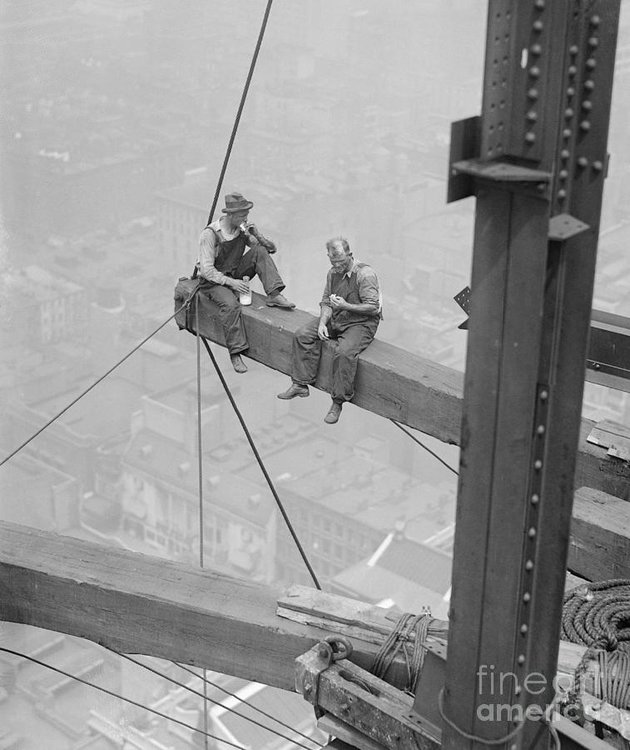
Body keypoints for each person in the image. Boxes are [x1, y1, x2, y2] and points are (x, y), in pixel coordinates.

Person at [277, 237, 381, 424]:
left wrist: (347, 305)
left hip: (361, 323)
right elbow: (326, 302)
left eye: (341, 262)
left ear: (350, 255)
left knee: (344, 353)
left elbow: (373, 307)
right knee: (303, 335)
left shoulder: (365, 274)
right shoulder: (333, 273)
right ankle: (300, 383)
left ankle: (338, 401)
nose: (337, 266)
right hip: (339, 316)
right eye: (334, 262)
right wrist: (323, 323)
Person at [196, 192, 295, 374]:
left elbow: (270, 250)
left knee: (259, 252)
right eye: (242, 215)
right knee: (231, 306)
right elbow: (207, 270)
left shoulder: (241, 230)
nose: (245, 218)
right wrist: (232, 283)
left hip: (233, 273)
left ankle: (274, 295)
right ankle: (235, 351)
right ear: (230, 215)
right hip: (214, 282)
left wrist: (258, 235)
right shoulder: (211, 234)